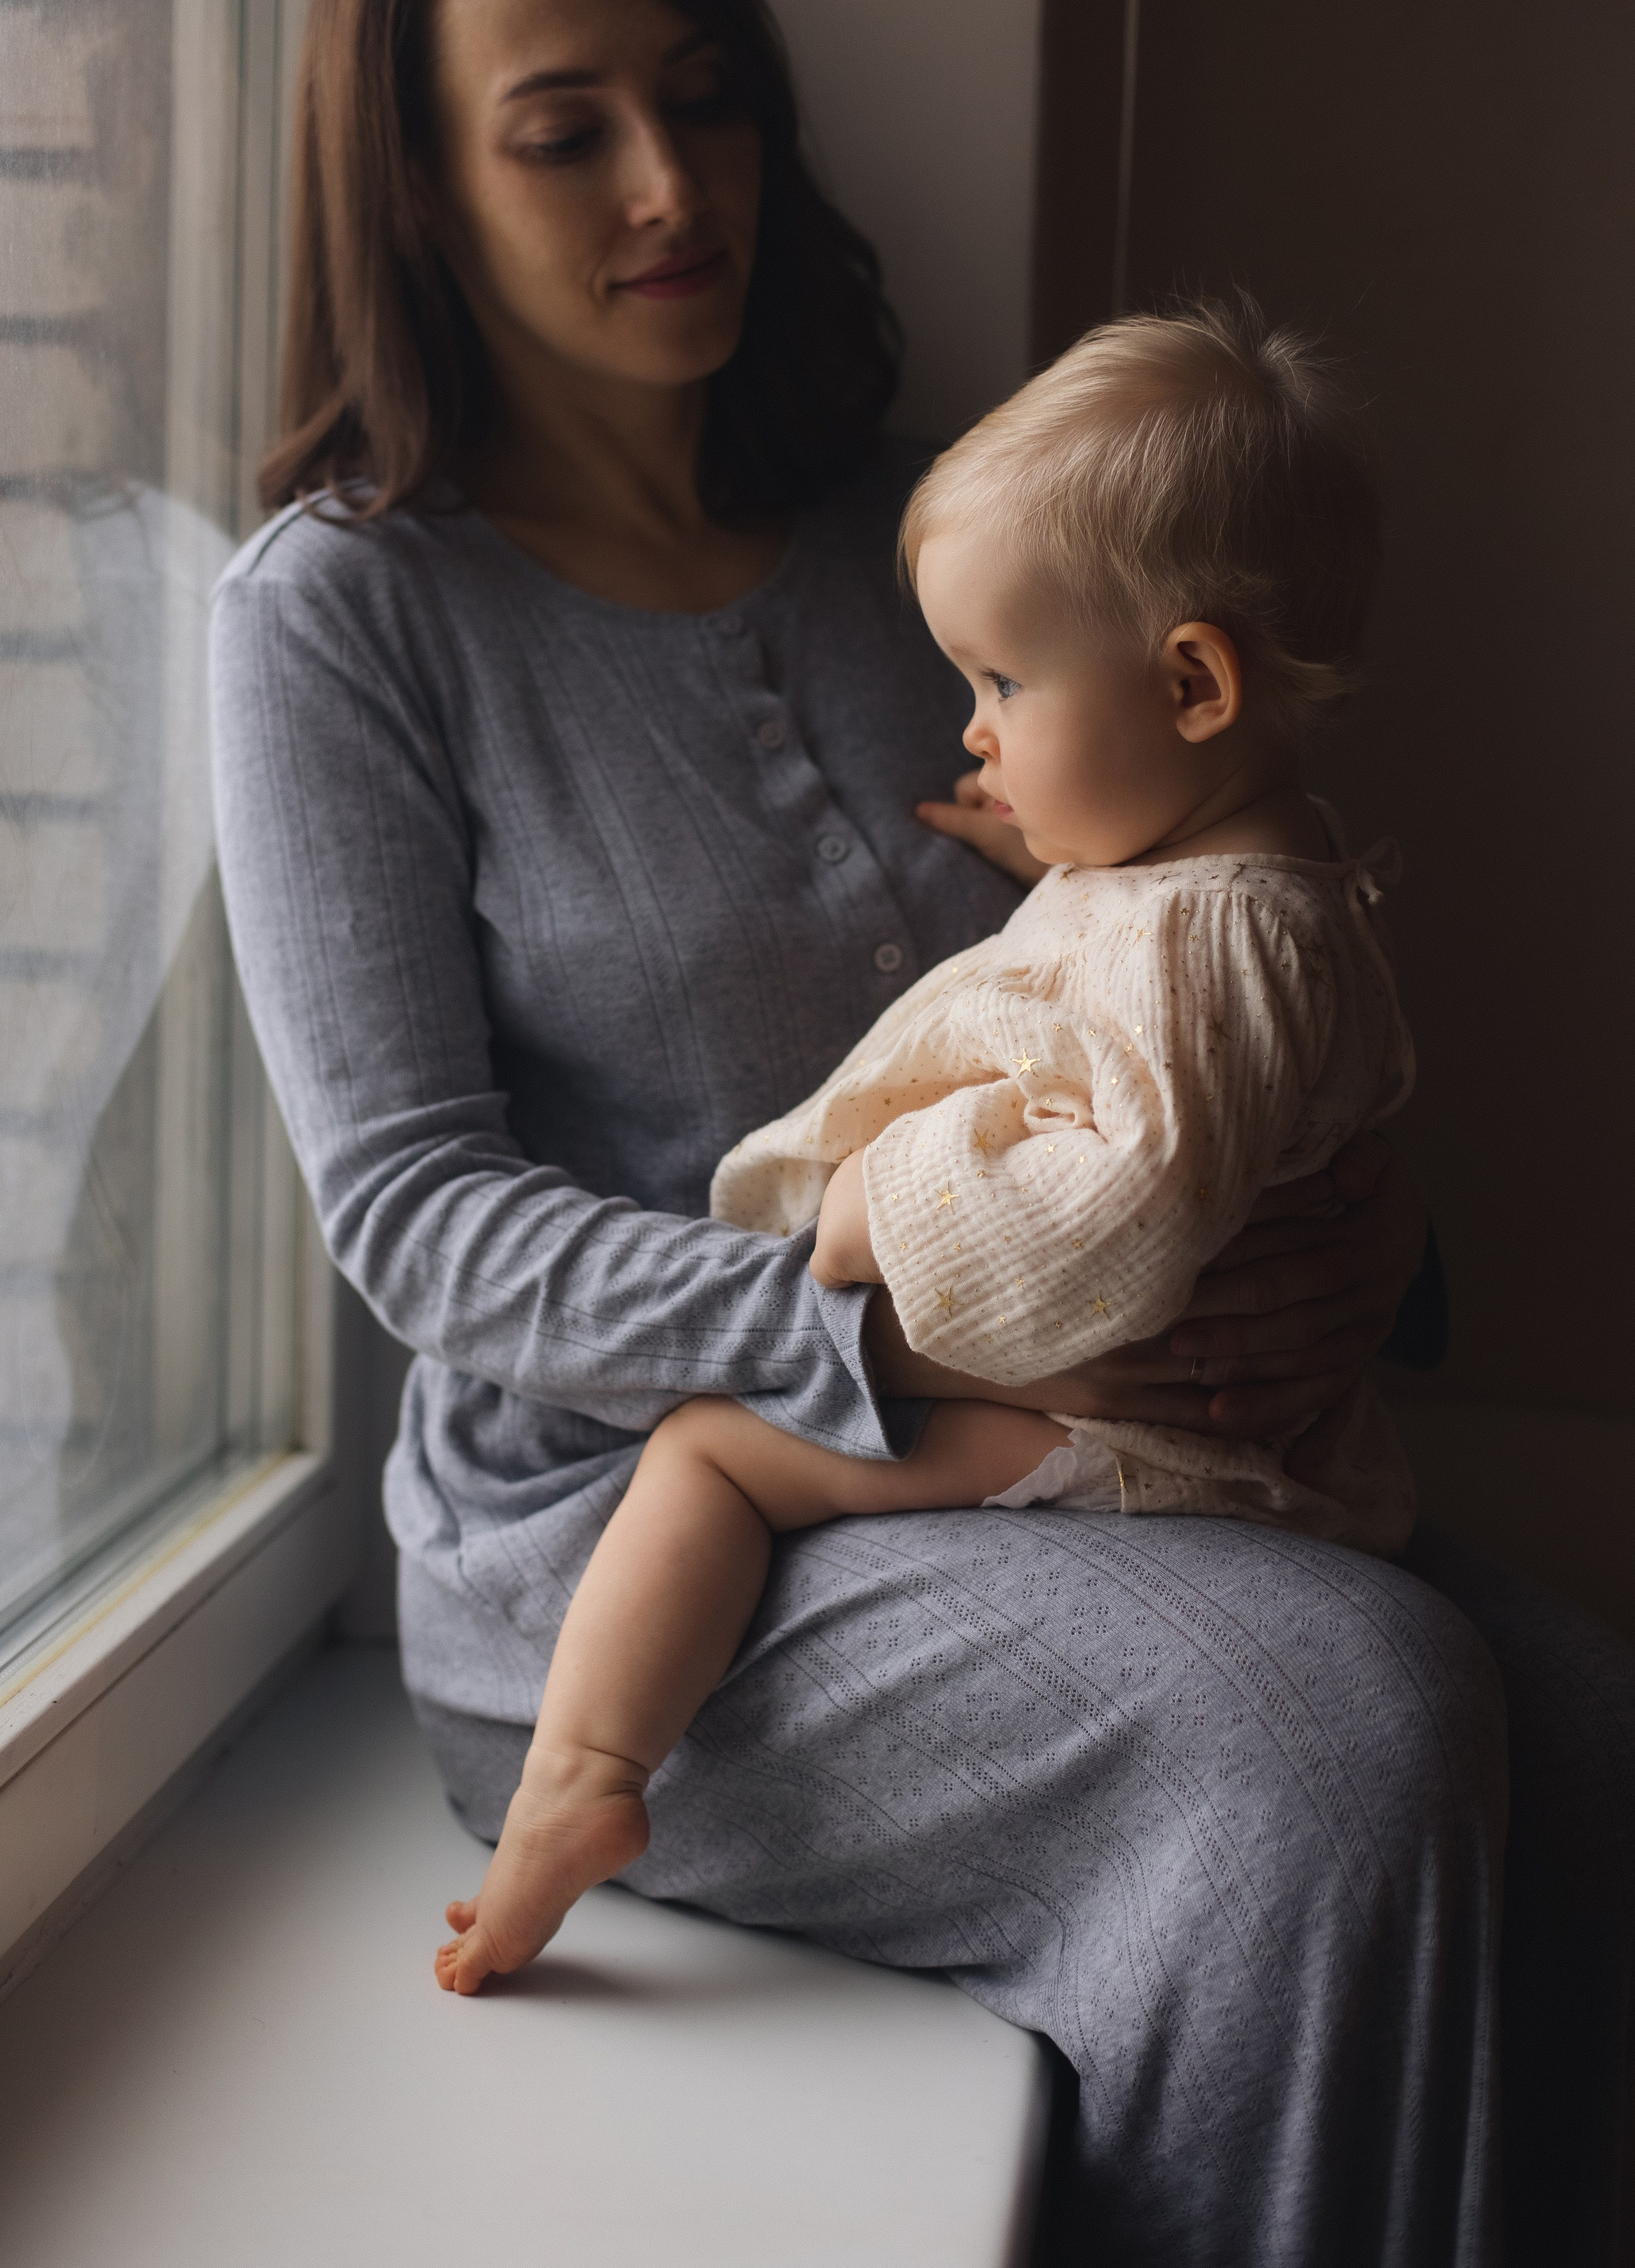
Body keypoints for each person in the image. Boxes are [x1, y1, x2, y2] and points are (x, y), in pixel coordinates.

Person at [209, 0, 1634, 2265]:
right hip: (641, 1538)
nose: (673, 183)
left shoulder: (956, 539)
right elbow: (417, 1216)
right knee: (1349, 1745)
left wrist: (1357, 1244)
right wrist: (887, 1331)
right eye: (565, 132)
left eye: (706, 98)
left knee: (1587, 1727)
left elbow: (1201, 967)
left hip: (1078, 1443)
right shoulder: (342, 617)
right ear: (420, 192)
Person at [436, 302, 1425, 1996]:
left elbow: (1119, 1211)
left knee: (710, 1454)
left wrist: (875, 1214)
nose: (969, 729)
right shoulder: (1240, 885)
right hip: (1189, 1428)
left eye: (1002, 685)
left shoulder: (1199, 937)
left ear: (1190, 686)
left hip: (1129, 1435)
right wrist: (1068, 870)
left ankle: (584, 1776)